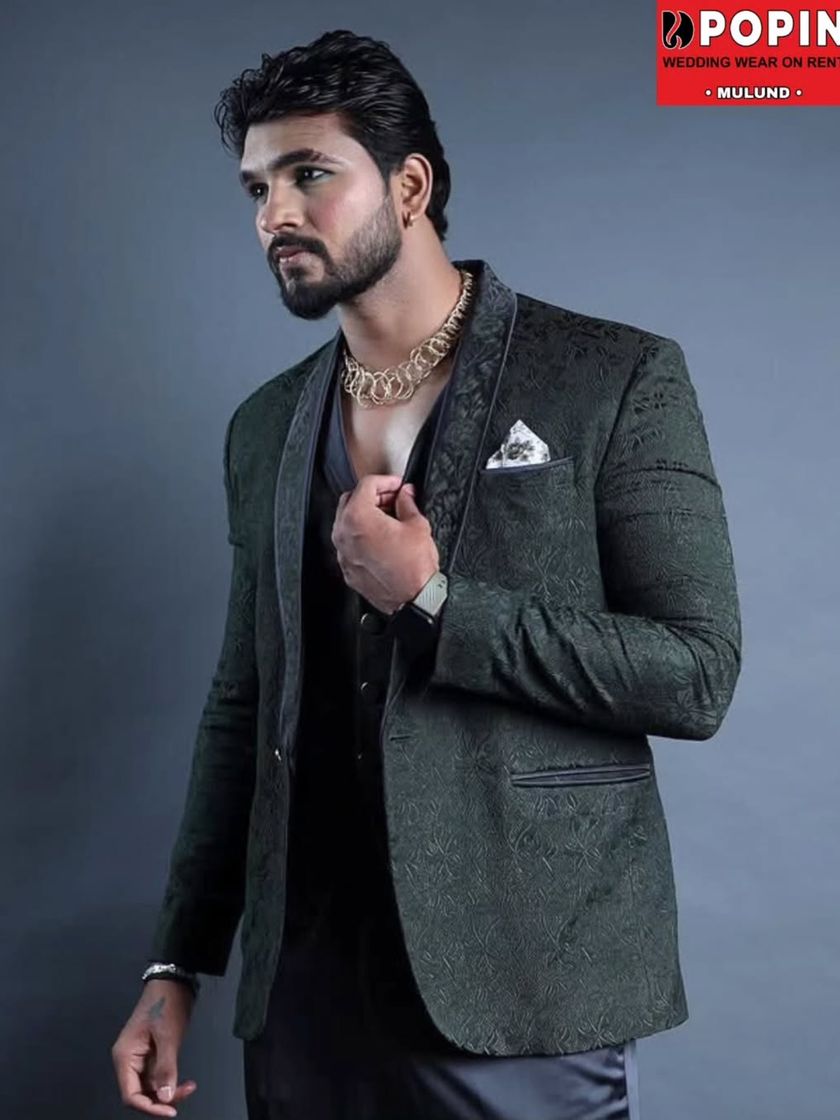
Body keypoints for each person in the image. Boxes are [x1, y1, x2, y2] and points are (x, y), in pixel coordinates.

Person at [110, 28, 742, 1120]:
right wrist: (178, 964)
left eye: (310, 175)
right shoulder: (266, 426)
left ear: (410, 186)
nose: (275, 214)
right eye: (258, 188)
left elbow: (696, 673)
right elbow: (242, 706)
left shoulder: (610, 376)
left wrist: (433, 603)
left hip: (521, 979)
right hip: (305, 989)